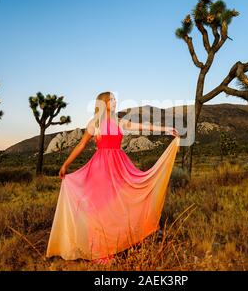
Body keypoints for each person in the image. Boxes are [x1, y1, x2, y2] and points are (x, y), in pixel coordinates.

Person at [46, 91, 180, 265]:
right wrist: (65, 164)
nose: (116, 102)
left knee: (121, 203)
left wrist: (166, 129)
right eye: (112, 100)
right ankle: (99, 251)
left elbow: (142, 126)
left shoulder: (119, 121)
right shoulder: (94, 123)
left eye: (116, 99)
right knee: (99, 208)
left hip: (120, 165)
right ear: (103, 103)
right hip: (101, 168)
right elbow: (81, 144)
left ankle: (121, 240)